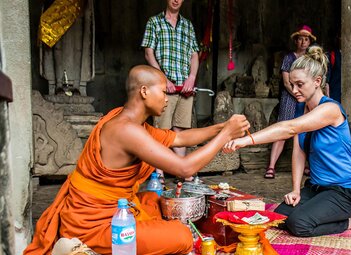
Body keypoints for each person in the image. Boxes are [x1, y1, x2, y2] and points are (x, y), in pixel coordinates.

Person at [24, 65, 250, 255]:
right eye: (163, 92)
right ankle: (82, 248)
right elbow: (184, 167)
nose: (167, 99)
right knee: (182, 236)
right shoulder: (126, 131)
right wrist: (225, 136)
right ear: (144, 91)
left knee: (154, 200)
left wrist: (223, 126)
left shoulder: (130, 121)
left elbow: (180, 137)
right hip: (93, 224)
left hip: (106, 208)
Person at [223, 46, 351, 237]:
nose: (294, 90)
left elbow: (288, 128)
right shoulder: (303, 110)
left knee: (299, 224)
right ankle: (323, 209)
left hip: (348, 190)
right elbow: (299, 152)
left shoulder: (330, 109)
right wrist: (295, 190)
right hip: (319, 188)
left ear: (317, 81)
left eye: (300, 84)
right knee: (279, 216)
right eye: (292, 84)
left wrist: (246, 140)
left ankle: (350, 221)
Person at [141, 0, 199, 183]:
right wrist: (163, 78)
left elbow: (194, 54)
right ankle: (159, 173)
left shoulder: (187, 25)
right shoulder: (154, 22)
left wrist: (192, 77)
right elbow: (148, 52)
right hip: (163, 87)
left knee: (180, 130)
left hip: (185, 88)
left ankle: (182, 170)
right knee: (161, 130)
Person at [265, 25, 315, 179]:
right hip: (290, 98)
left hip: (306, 99)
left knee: (305, 133)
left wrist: (306, 96)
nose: (303, 42)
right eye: (301, 39)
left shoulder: (310, 60)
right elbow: (287, 82)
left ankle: (306, 166)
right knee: (282, 131)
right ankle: (271, 166)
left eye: (306, 39)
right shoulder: (289, 58)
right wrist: (297, 93)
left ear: (309, 42)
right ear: (296, 40)